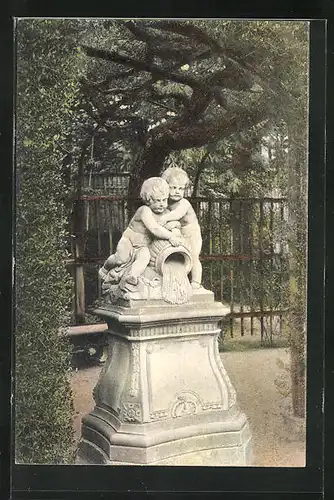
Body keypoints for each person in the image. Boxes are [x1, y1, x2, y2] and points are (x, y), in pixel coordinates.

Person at [99, 177, 182, 286]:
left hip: (144, 246)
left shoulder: (166, 213)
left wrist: (175, 232)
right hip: (129, 241)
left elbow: (175, 224)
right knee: (120, 259)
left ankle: (132, 276)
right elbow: (154, 228)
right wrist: (171, 236)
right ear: (148, 200)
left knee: (144, 258)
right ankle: (105, 268)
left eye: (164, 200)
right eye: (157, 200)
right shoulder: (144, 210)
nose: (161, 204)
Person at [160, 167, 202, 288]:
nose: (177, 191)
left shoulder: (184, 203)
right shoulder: (166, 202)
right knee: (180, 255)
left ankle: (196, 281)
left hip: (192, 233)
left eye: (181, 188)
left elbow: (177, 215)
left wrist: (164, 219)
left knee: (194, 256)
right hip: (180, 232)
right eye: (173, 187)